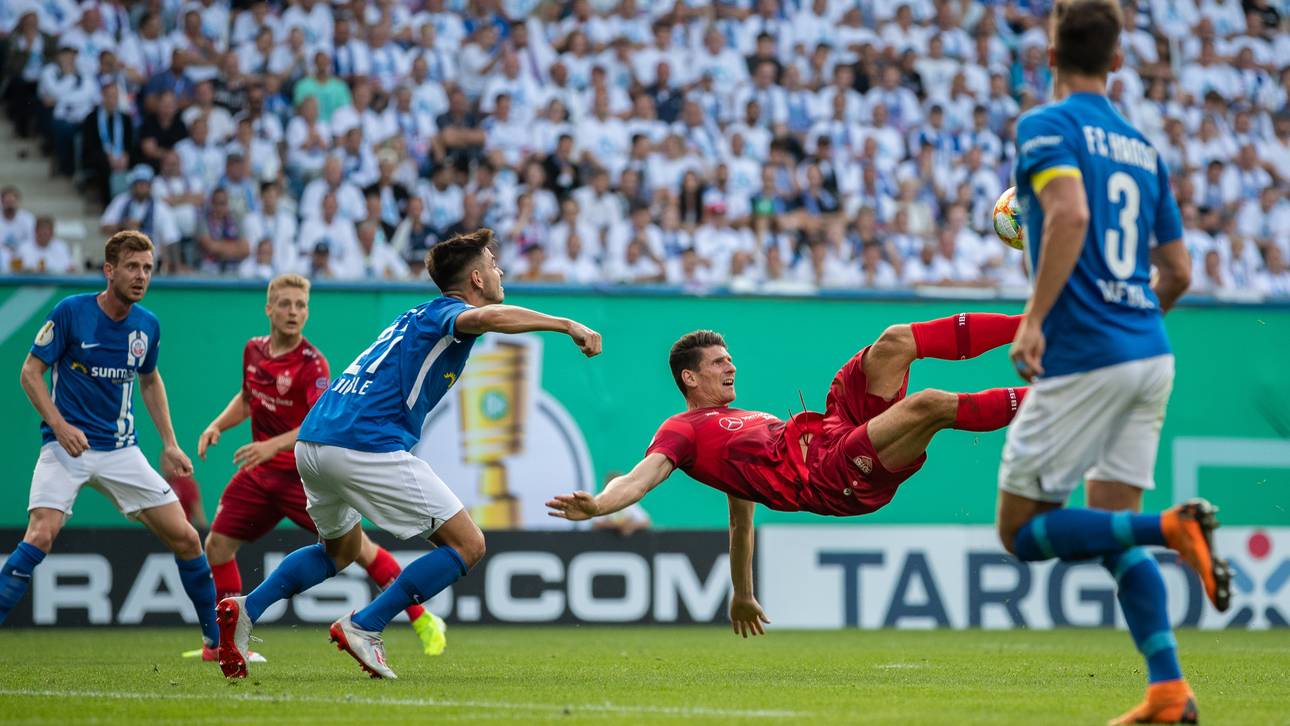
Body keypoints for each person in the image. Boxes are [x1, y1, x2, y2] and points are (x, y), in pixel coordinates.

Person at [216, 229, 602, 679]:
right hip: (363, 442)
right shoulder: (449, 313)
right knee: (469, 545)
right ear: (476, 279)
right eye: (493, 264)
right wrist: (566, 324)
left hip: (314, 442)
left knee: (338, 552)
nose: (500, 271)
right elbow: (489, 318)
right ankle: (366, 625)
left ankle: (247, 608)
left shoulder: (416, 314)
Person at [998, 3, 1229, 723]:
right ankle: (1169, 690)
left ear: (1049, 54)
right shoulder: (1142, 147)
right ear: (1118, 61)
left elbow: (1068, 214)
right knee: (1111, 527)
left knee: (1021, 532)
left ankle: (1172, 528)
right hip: (1150, 351)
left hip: (1085, 355)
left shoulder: (1046, 125)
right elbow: (1180, 272)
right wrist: (1132, 322)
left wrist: (1035, 319)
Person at [547, 312, 1029, 635]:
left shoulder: (736, 427)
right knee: (930, 404)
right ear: (689, 378)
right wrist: (599, 504)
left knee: (895, 340)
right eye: (718, 362)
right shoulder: (682, 430)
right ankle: (1057, 398)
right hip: (833, 476)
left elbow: (740, 524)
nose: (731, 365)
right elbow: (640, 478)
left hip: (835, 425)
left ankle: (1034, 325)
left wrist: (742, 594)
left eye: (730, 357)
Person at [196, 273, 447, 660]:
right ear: (269, 309)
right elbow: (248, 398)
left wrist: (269, 446)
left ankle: (422, 619)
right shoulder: (253, 350)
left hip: (300, 473)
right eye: (285, 304)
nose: (293, 312)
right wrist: (217, 425)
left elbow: (316, 421)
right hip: (260, 475)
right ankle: (222, 640)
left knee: (357, 549)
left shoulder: (313, 364)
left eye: (301, 305)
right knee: (216, 545)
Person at [0, 231, 217, 658]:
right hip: (66, 448)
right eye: (132, 267)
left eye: (148, 268)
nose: (141, 276)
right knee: (41, 534)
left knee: (188, 539)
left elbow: (150, 380)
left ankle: (216, 643)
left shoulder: (147, 325)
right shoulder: (71, 312)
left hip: (121, 451)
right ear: (109, 270)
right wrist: (60, 425)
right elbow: (30, 372)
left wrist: (170, 443)